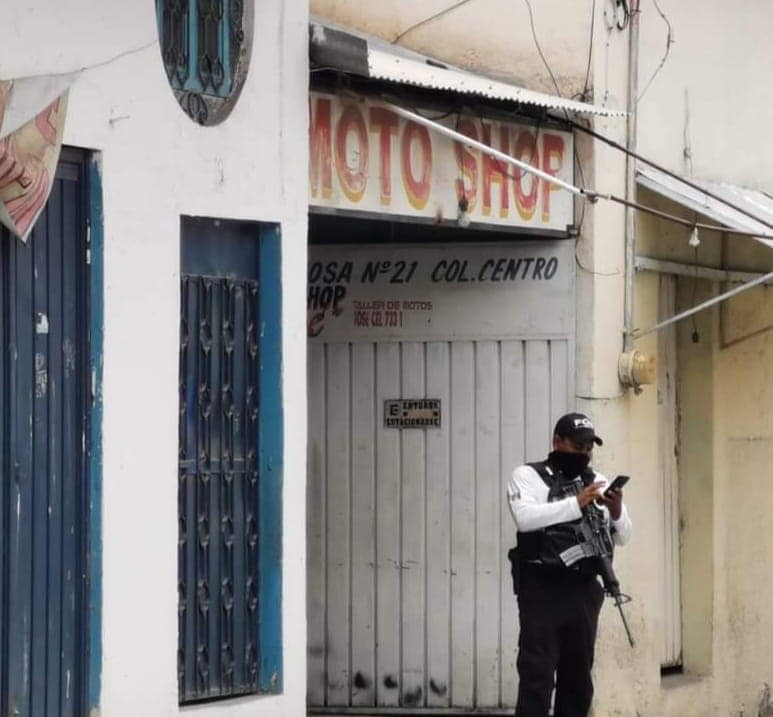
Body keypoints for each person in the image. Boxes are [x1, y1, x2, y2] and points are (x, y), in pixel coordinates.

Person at [506, 412, 632, 717]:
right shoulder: (528, 476)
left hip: (584, 590)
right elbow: (525, 518)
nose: (584, 454)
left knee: (578, 681)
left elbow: (624, 536)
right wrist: (576, 503)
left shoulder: (596, 480)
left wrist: (616, 510)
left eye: (589, 448)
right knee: (537, 675)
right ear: (557, 442)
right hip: (542, 589)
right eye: (578, 447)